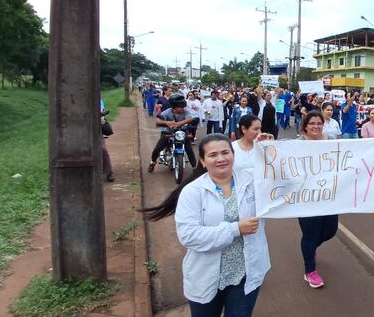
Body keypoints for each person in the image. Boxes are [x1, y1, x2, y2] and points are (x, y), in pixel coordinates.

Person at [142, 134, 270, 316]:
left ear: (234, 155)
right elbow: (189, 236)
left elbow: (285, 184)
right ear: (202, 161)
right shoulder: (192, 192)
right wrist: (235, 229)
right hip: (206, 276)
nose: (220, 159)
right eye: (213, 155)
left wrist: (269, 152)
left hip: (245, 274)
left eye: (226, 152)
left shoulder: (252, 181)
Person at [297, 111, 338, 288]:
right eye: (312, 123)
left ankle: (311, 248)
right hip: (305, 197)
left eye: (319, 123)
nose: (316, 126)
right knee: (310, 233)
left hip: (328, 195)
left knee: (330, 230)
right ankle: (310, 270)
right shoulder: (297, 144)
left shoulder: (330, 141)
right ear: (305, 126)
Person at [148, 94, 197, 173]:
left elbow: (190, 118)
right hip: (168, 133)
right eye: (180, 107)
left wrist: (180, 123)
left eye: (183, 107)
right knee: (157, 149)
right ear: (174, 106)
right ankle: (153, 162)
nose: (182, 108)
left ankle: (195, 168)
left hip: (181, 133)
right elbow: (158, 121)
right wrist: (167, 122)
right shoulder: (167, 112)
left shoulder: (185, 112)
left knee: (189, 149)